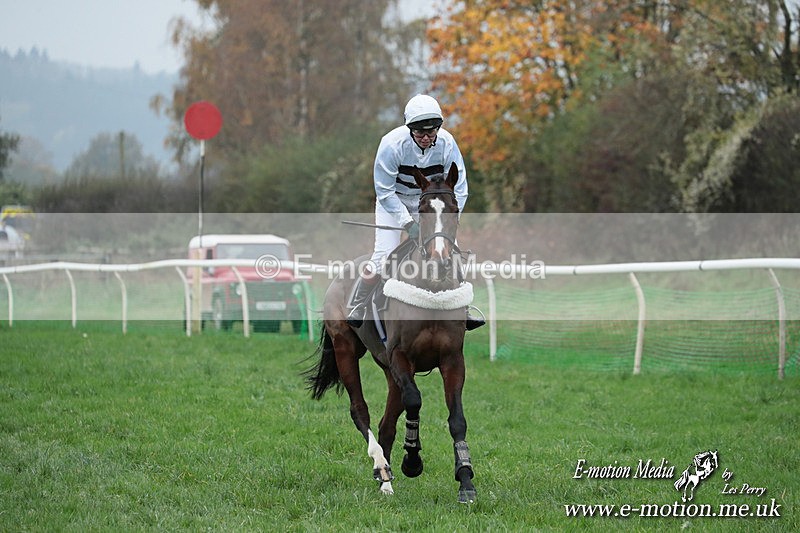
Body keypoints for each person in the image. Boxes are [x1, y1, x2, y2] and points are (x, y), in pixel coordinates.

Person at [346, 94, 485, 330]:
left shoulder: (448, 144)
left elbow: (459, 189)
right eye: (419, 132)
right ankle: (357, 304)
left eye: (431, 132)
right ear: (409, 128)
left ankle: (465, 309)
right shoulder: (391, 145)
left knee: (454, 253)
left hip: (431, 204)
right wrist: (408, 224)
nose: (425, 137)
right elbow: (384, 192)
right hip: (394, 201)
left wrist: (450, 221)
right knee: (382, 255)